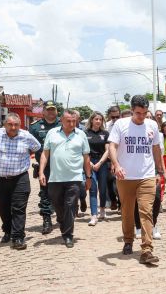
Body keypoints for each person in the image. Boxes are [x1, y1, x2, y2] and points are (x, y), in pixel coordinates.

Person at [108, 95, 165, 264]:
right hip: (125, 177)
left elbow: (156, 149)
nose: (141, 116)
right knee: (126, 211)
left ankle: (147, 249)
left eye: (144, 113)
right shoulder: (121, 124)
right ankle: (128, 240)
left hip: (146, 176)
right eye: (138, 113)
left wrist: (160, 171)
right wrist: (117, 165)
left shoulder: (152, 125)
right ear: (132, 110)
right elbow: (112, 146)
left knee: (146, 211)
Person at [0, 113, 41, 250]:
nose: (13, 127)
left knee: (18, 208)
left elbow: (37, 147)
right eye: (10, 124)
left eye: (16, 125)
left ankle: (18, 237)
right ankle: (8, 231)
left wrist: (34, 162)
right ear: (5, 124)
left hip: (20, 177)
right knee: (3, 207)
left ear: (20, 125)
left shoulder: (26, 136)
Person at [39, 109, 91, 248]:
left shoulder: (81, 135)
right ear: (61, 120)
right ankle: (62, 221)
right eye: (68, 121)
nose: (72, 123)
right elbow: (45, 154)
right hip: (55, 178)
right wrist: (41, 172)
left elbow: (86, 157)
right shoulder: (52, 133)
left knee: (70, 205)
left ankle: (68, 235)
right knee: (57, 205)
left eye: (74, 121)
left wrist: (88, 176)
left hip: (74, 177)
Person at [29, 101, 60, 235]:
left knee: (62, 193)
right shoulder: (35, 127)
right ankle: (47, 220)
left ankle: (62, 215)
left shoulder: (62, 124)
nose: (51, 112)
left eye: (53, 109)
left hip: (62, 166)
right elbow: (29, 146)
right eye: (48, 110)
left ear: (57, 111)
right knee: (45, 194)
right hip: (45, 167)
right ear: (43, 112)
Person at [85, 112, 111, 225]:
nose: (98, 121)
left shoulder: (105, 133)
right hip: (89, 161)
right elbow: (83, 150)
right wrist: (90, 163)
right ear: (91, 120)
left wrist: (100, 163)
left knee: (103, 187)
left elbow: (108, 150)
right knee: (93, 188)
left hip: (102, 162)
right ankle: (93, 215)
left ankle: (102, 209)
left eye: (100, 119)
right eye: (96, 119)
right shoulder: (85, 133)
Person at [105, 105, 122, 211]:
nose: (115, 119)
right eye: (113, 117)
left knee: (119, 182)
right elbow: (107, 143)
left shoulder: (125, 124)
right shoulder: (107, 126)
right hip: (108, 156)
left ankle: (121, 203)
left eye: (117, 116)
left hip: (122, 156)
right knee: (109, 181)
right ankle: (113, 200)